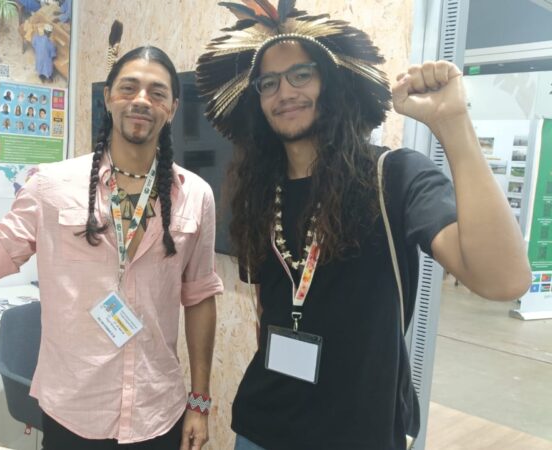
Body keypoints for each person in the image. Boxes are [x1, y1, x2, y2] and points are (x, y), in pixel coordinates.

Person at [194, 2, 531, 450]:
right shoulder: (258, 191)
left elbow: (504, 280)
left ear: (331, 82)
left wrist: (452, 124)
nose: (284, 92)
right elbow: (267, 308)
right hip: (262, 428)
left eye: (301, 74)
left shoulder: (394, 176)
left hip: (359, 432)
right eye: (269, 83)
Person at [0, 45, 222, 450]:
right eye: (129, 87)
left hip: (157, 412)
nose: (141, 101)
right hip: (74, 414)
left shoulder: (196, 196)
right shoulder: (50, 186)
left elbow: (200, 296)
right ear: (108, 97)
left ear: (173, 106)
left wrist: (199, 402)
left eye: (157, 92)